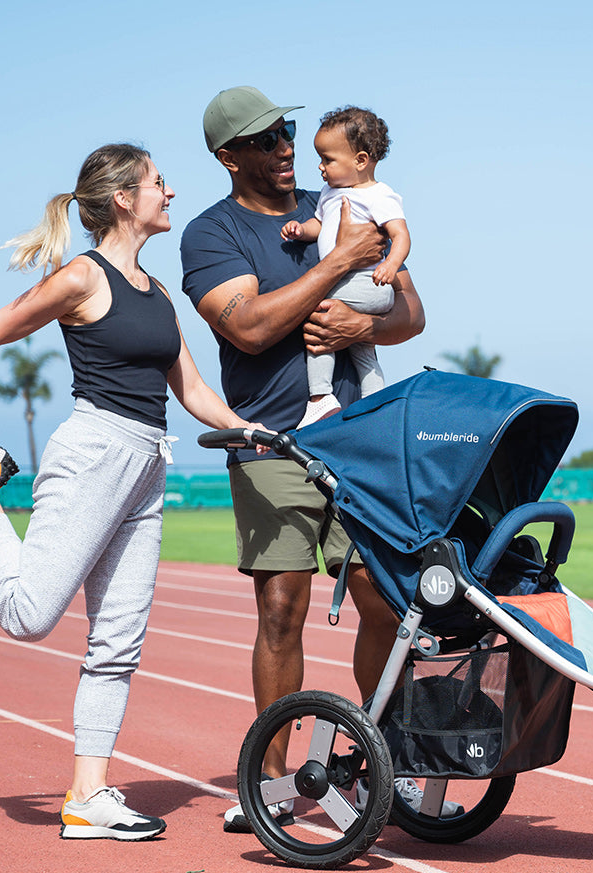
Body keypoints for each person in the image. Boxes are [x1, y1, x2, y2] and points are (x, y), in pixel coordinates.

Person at [0, 143, 265, 841]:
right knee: (28, 616)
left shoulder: (158, 292)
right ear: (123, 199)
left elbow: (194, 390)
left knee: (118, 642)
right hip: (92, 453)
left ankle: (88, 797)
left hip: (146, 462)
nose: (169, 193)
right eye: (158, 183)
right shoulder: (82, 277)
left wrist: (246, 427)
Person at [180, 86, 458, 830]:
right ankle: (269, 784)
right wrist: (333, 270)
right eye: (265, 139)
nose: (285, 148)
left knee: (383, 600)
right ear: (226, 156)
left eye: (289, 133)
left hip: (359, 439)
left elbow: (411, 313)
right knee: (281, 607)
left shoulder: (342, 193)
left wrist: (353, 325)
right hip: (271, 440)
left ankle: (384, 766)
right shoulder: (212, 236)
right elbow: (250, 328)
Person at [281, 106, 410, 427]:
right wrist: (301, 230)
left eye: (328, 159)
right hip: (360, 288)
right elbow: (318, 225)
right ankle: (376, 403)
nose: (321, 167)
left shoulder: (379, 196)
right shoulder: (330, 193)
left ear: (361, 161)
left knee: (318, 317)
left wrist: (392, 264)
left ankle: (320, 397)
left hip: (367, 282)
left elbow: (401, 235)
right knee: (363, 352)